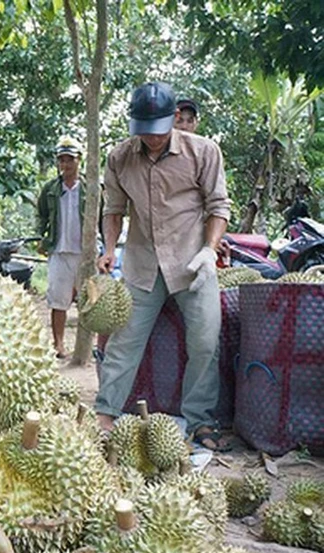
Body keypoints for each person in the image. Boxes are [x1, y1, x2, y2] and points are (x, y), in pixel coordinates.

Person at [94, 82, 231, 451]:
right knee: (124, 343)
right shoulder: (120, 157)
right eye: (144, 131)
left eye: (158, 131)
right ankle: (105, 413)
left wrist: (209, 250)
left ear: (174, 119)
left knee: (204, 341)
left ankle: (200, 419)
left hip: (193, 263)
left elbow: (219, 207)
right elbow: (114, 210)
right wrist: (109, 249)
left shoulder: (203, 152)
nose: (151, 140)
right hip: (141, 263)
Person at [36, 136, 85, 359]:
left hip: (85, 252)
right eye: (61, 160)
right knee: (59, 300)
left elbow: (104, 217)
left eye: (69, 160)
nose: (65, 165)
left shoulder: (91, 188)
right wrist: (41, 238)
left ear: (79, 160)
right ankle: (58, 344)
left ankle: (84, 347)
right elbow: (41, 216)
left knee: (90, 300)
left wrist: (106, 248)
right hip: (59, 250)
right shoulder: (50, 189)